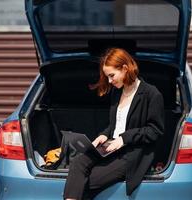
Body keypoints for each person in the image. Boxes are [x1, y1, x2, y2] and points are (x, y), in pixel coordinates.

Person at [63, 48, 165, 200]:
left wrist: (124, 139)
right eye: (107, 77)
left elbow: (154, 130)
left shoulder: (151, 94)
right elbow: (116, 124)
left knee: (87, 182)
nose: (110, 81)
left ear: (125, 68)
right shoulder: (117, 92)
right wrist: (104, 135)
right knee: (78, 162)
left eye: (111, 75)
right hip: (110, 146)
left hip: (131, 153)